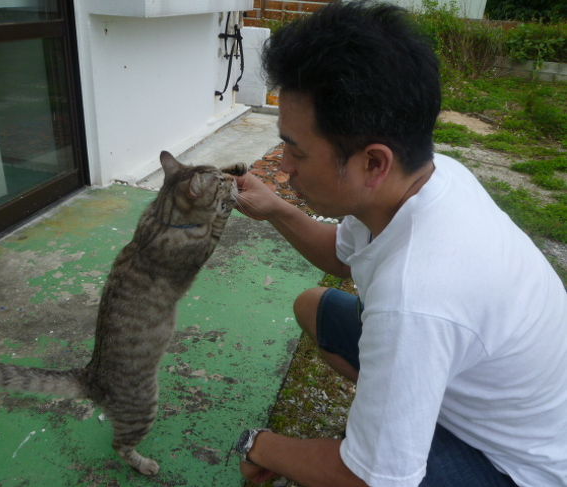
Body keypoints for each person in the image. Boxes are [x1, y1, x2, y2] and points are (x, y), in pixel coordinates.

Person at [232, 2, 567, 486]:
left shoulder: (417, 297)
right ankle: (401, 423)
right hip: (494, 395)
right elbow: (340, 258)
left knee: (373, 471)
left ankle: (402, 440)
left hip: (521, 467)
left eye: (297, 150)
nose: (283, 165)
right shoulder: (429, 178)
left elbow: (369, 481)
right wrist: (277, 209)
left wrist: (259, 444)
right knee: (315, 307)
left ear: (373, 163)